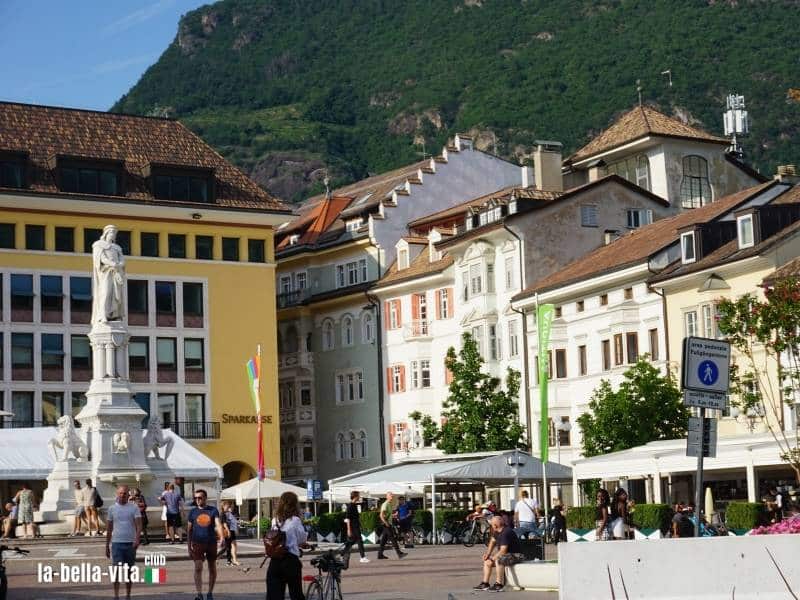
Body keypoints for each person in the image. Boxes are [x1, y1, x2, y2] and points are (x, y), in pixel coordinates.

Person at [266, 491, 308, 600]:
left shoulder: (275, 520)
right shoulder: (295, 520)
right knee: (296, 594)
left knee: (274, 596)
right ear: (295, 505)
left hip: (275, 560)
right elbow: (302, 539)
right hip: (290, 561)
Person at [187, 489, 224, 600]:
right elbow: (189, 530)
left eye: (200, 498)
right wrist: (188, 546)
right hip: (197, 543)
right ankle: (199, 594)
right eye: (196, 498)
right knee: (198, 567)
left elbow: (218, 525)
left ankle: (209, 593)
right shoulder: (192, 512)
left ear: (205, 498)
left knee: (212, 568)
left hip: (211, 543)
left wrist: (221, 537)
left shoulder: (213, 510)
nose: (197, 500)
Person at [105, 485, 141, 600]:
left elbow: (139, 525)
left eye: (125, 493)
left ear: (128, 495)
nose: (122, 495)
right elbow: (109, 528)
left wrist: (137, 539)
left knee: (129, 571)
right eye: (120, 493)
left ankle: (128, 595)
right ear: (117, 494)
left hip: (130, 543)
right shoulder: (112, 509)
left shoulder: (134, 507)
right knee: (116, 570)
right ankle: (116, 595)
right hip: (117, 543)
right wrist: (107, 545)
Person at [473, 515, 525, 592]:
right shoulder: (497, 531)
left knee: (499, 560)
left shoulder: (506, 532)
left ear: (495, 525)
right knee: (487, 561)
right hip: (507, 555)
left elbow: (503, 550)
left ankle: (499, 584)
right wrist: (488, 554)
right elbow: (492, 541)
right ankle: (485, 583)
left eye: (491, 525)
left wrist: (493, 558)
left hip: (516, 555)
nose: (491, 526)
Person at [377, 491, 406, 560]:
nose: (392, 497)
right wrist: (386, 523)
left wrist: (394, 515)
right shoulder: (385, 504)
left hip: (388, 523)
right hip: (386, 524)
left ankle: (380, 554)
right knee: (393, 538)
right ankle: (399, 553)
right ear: (387, 497)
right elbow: (381, 515)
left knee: (383, 540)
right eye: (390, 496)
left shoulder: (389, 504)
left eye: (392, 496)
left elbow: (387, 514)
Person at [343, 490, 369, 563]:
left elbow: (356, 517)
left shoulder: (354, 505)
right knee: (359, 541)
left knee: (352, 542)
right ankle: (362, 557)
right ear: (355, 496)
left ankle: (342, 554)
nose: (359, 497)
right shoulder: (350, 506)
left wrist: (361, 525)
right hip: (353, 527)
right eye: (358, 495)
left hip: (356, 526)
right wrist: (348, 529)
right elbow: (347, 518)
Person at [221, 501, 241, 566]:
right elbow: (224, 524)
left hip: (231, 531)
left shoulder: (228, 513)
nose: (228, 507)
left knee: (232, 545)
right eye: (227, 506)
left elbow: (233, 522)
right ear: (223, 506)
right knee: (228, 547)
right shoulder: (223, 514)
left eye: (228, 506)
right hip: (227, 532)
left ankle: (233, 560)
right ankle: (229, 561)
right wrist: (228, 531)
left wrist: (235, 529)